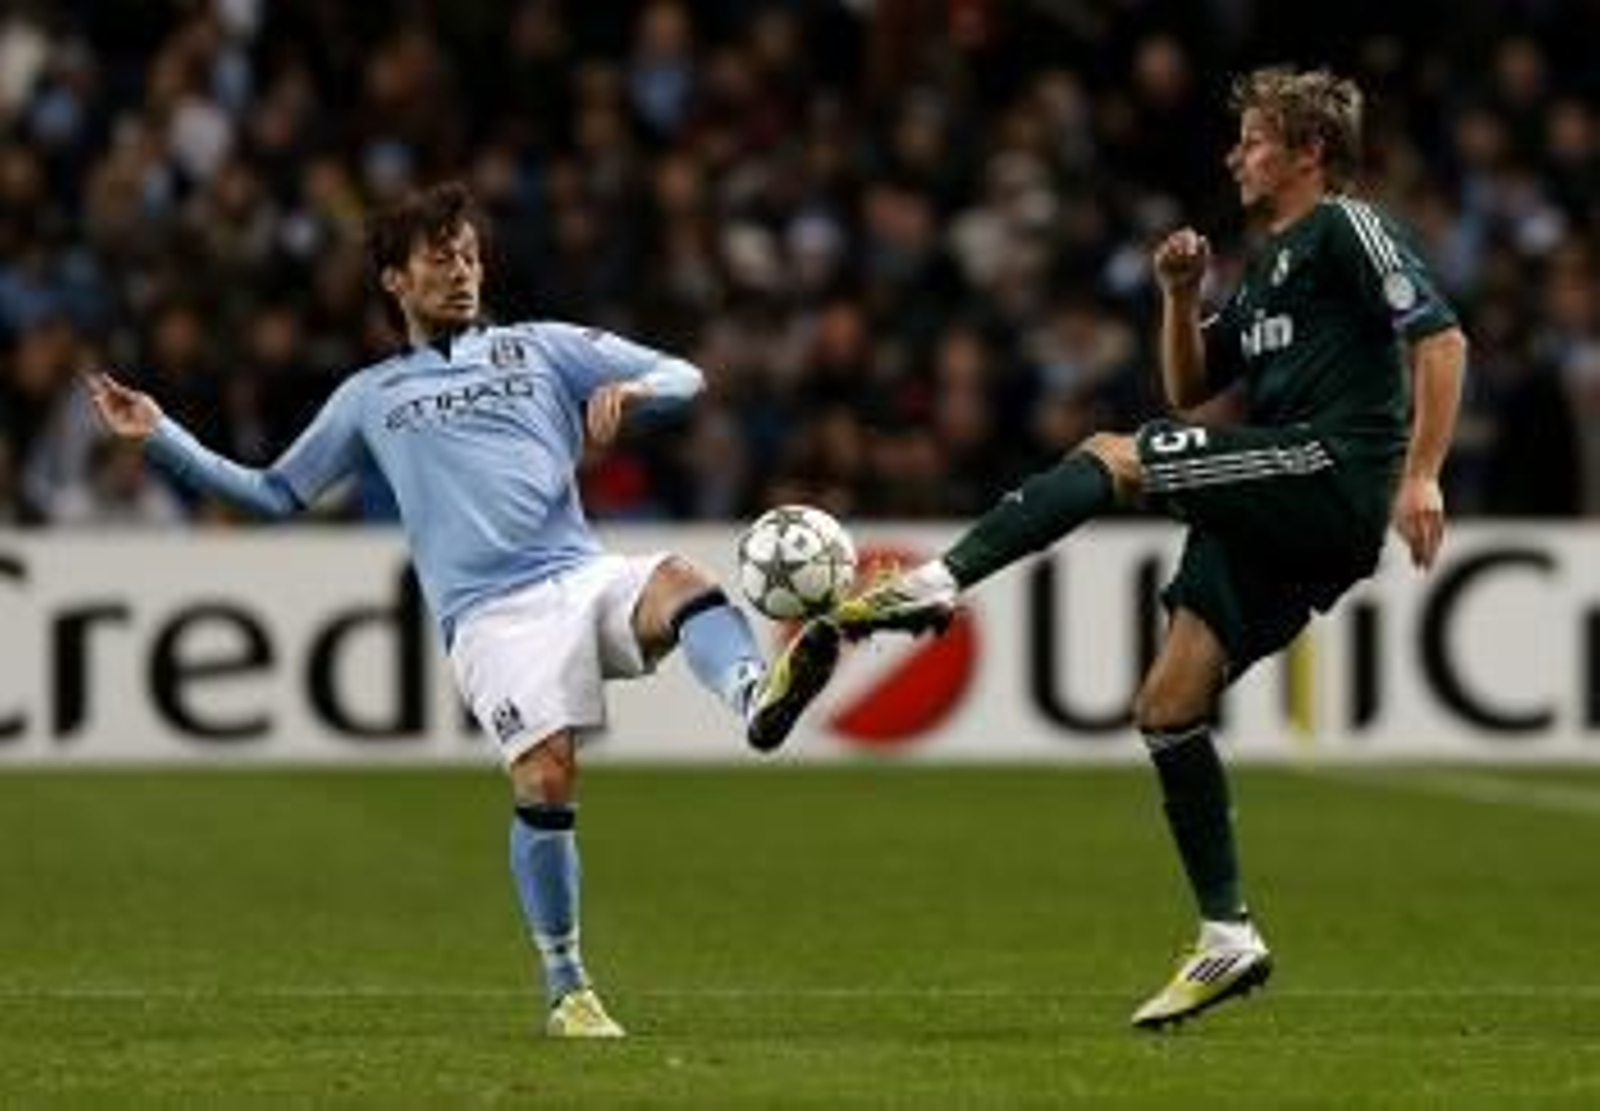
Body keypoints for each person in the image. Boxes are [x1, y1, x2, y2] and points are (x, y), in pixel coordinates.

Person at [785, 66, 1468, 1029]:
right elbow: (1192, 384)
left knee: (1118, 453)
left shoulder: (1350, 228)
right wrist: (1180, 295)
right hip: (1279, 505)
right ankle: (1228, 935)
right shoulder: (1270, 259)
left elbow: (1441, 341)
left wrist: (1424, 473)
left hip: (1330, 470)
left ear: (1311, 152)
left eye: (1257, 138)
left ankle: (933, 584)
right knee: (1168, 703)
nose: (1236, 153)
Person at [86, 181, 839, 1039]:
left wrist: (636, 396)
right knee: (549, 772)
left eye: (471, 255)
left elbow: (687, 372)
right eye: (439, 260)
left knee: (680, 581)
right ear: (395, 282)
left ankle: (755, 698)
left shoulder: (543, 348)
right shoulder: (370, 396)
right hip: (490, 615)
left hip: (578, 573)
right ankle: (567, 987)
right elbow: (271, 493)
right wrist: (163, 436)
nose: (462, 273)